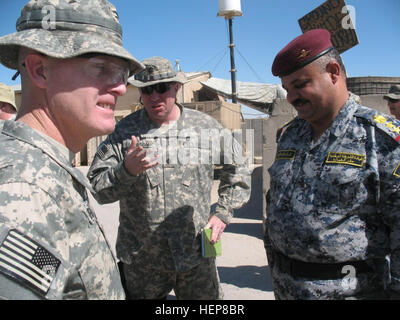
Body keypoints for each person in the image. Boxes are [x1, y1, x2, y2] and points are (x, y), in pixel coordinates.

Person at [0, 0, 144, 300]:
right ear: (40, 70)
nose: (120, 87)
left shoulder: (45, 170)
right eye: (102, 68)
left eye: (122, 73)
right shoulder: (24, 190)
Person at [87, 56, 251, 300]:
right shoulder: (123, 132)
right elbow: (99, 188)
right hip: (142, 260)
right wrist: (126, 171)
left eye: (162, 88)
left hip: (195, 254)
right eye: (147, 90)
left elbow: (238, 167)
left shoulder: (206, 128)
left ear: (176, 87)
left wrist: (222, 212)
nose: (154, 96)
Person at [264, 29, 400, 300]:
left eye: (300, 84)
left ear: (333, 72)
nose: (292, 97)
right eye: (287, 89)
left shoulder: (380, 138)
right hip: (285, 288)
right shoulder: (289, 135)